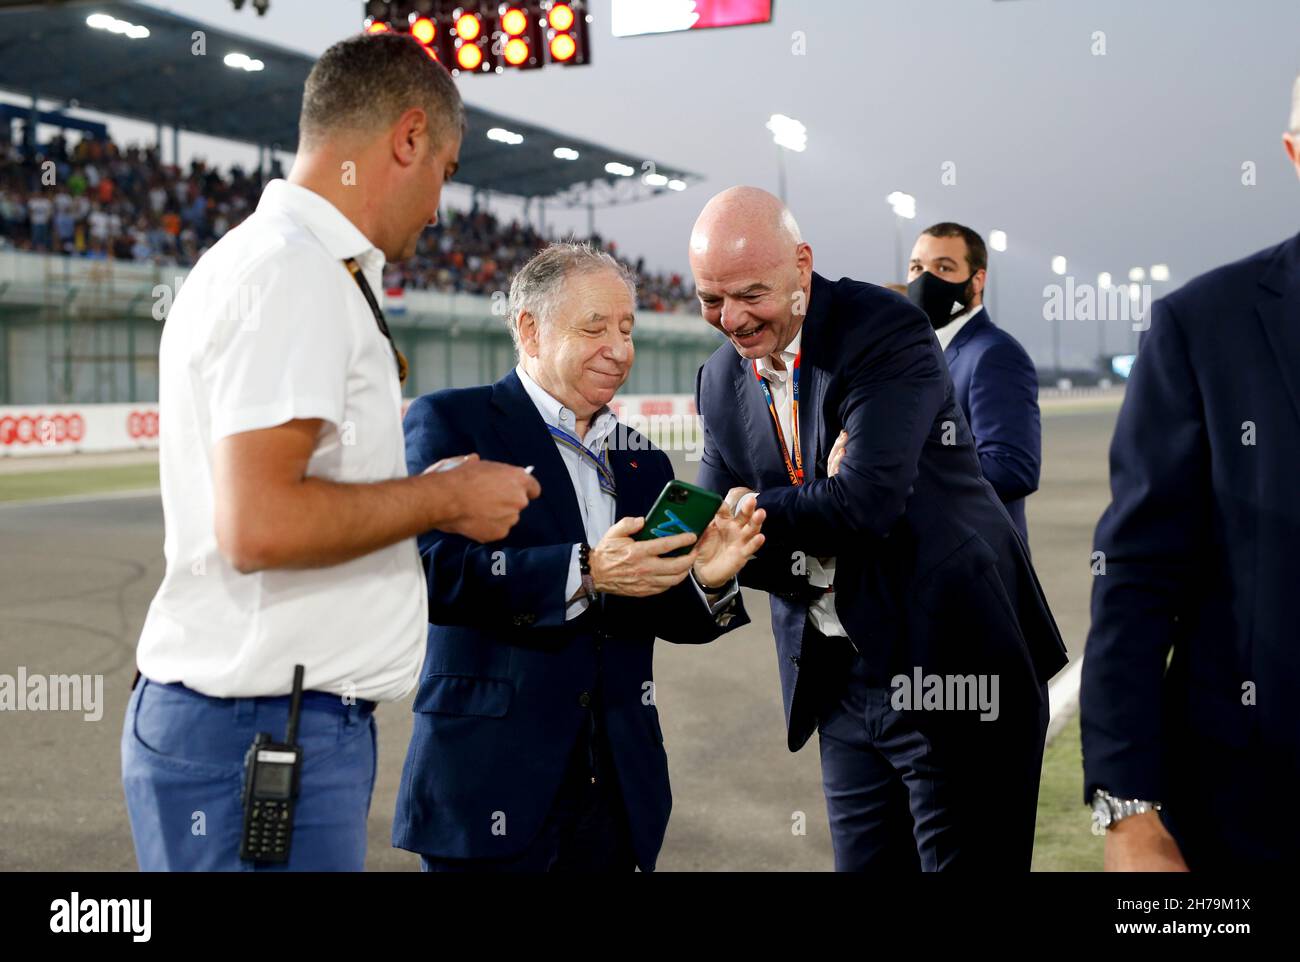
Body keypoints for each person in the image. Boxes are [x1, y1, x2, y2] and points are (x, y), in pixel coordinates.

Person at [121, 32, 539, 872]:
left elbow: (292, 494)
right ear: (408, 137)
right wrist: (443, 501)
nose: (439, 204)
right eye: (446, 172)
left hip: (272, 723)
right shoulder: (292, 273)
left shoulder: (301, 265)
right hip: (258, 731)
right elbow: (262, 523)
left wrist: (423, 487)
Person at [689, 186, 1067, 871]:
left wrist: (767, 510)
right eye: (711, 299)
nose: (732, 319)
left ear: (802, 266)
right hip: (838, 683)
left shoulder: (881, 327)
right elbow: (723, 537)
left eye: (750, 294)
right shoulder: (718, 379)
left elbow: (866, 505)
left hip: (955, 665)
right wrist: (795, 506)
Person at [393, 243, 762, 872]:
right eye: (594, 328)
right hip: (489, 784)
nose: (618, 349)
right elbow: (429, 574)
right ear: (529, 330)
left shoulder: (643, 459)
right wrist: (585, 570)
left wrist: (706, 581)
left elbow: (658, 611)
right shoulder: (454, 423)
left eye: (626, 329)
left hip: (616, 792)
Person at [1080, 70, 1300, 871]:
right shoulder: (1205, 327)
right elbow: (1137, 577)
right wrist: (1127, 809)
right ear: (1293, 152)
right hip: (1252, 813)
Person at [907, 223, 1040, 546]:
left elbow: (1011, 469)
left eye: (944, 267)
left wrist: (896, 473)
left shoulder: (994, 353)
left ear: (977, 280)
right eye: (917, 267)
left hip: (977, 566)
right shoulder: (923, 350)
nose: (926, 279)